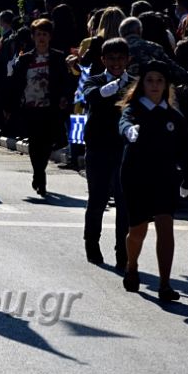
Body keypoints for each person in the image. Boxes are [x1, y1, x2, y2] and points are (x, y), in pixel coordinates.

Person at [118, 60, 188, 302]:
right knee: (137, 231)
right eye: (150, 80)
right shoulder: (134, 109)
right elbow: (124, 122)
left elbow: (186, 150)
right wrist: (129, 131)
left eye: (159, 81)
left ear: (166, 85)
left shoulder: (174, 116)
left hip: (164, 178)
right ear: (142, 83)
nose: (154, 85)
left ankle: (164, 284)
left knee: (165, 224)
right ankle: (132, 266)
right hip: (136, 176)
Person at [81, 38, 131, 269]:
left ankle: (123, 250)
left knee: (125, 203)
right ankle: (92, 243)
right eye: (111, 58)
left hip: (125, 150)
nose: (116, 63)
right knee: (98, 199)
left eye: (121, 58)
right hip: (98, 148)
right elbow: (91, 96)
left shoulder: (135, 84)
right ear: (103, 60)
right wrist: (107, 90)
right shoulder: (94, 80)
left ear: (127, 60)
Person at [5, 19, 69, 196]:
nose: (41, 38)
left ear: (50, 37)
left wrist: (64, 97)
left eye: (45, 34)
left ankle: (40, 172)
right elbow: (15, 83)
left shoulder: (57, 57)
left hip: (50, 106)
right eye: (38, 34)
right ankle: (39, 174)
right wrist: (10, 105)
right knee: (34, 143)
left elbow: (65, 81)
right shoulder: (25, 59)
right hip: (30, 106)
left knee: (47, 142)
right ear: (33, 37)